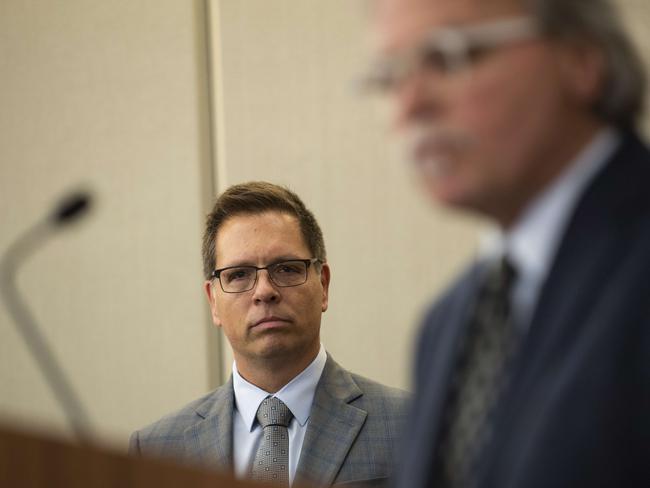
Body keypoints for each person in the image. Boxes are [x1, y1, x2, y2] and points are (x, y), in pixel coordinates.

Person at [364, 0, 650, 487]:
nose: (410, 106)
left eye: (448, 56)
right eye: (391, 77)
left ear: (581, 58)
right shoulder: (445, 321)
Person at [129, 182, 408, 488]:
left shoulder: (413, 425)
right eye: (239, 274)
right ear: (213, 301)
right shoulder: (155, 453)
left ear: (323, 285)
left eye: (286, 269)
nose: (264, 291)